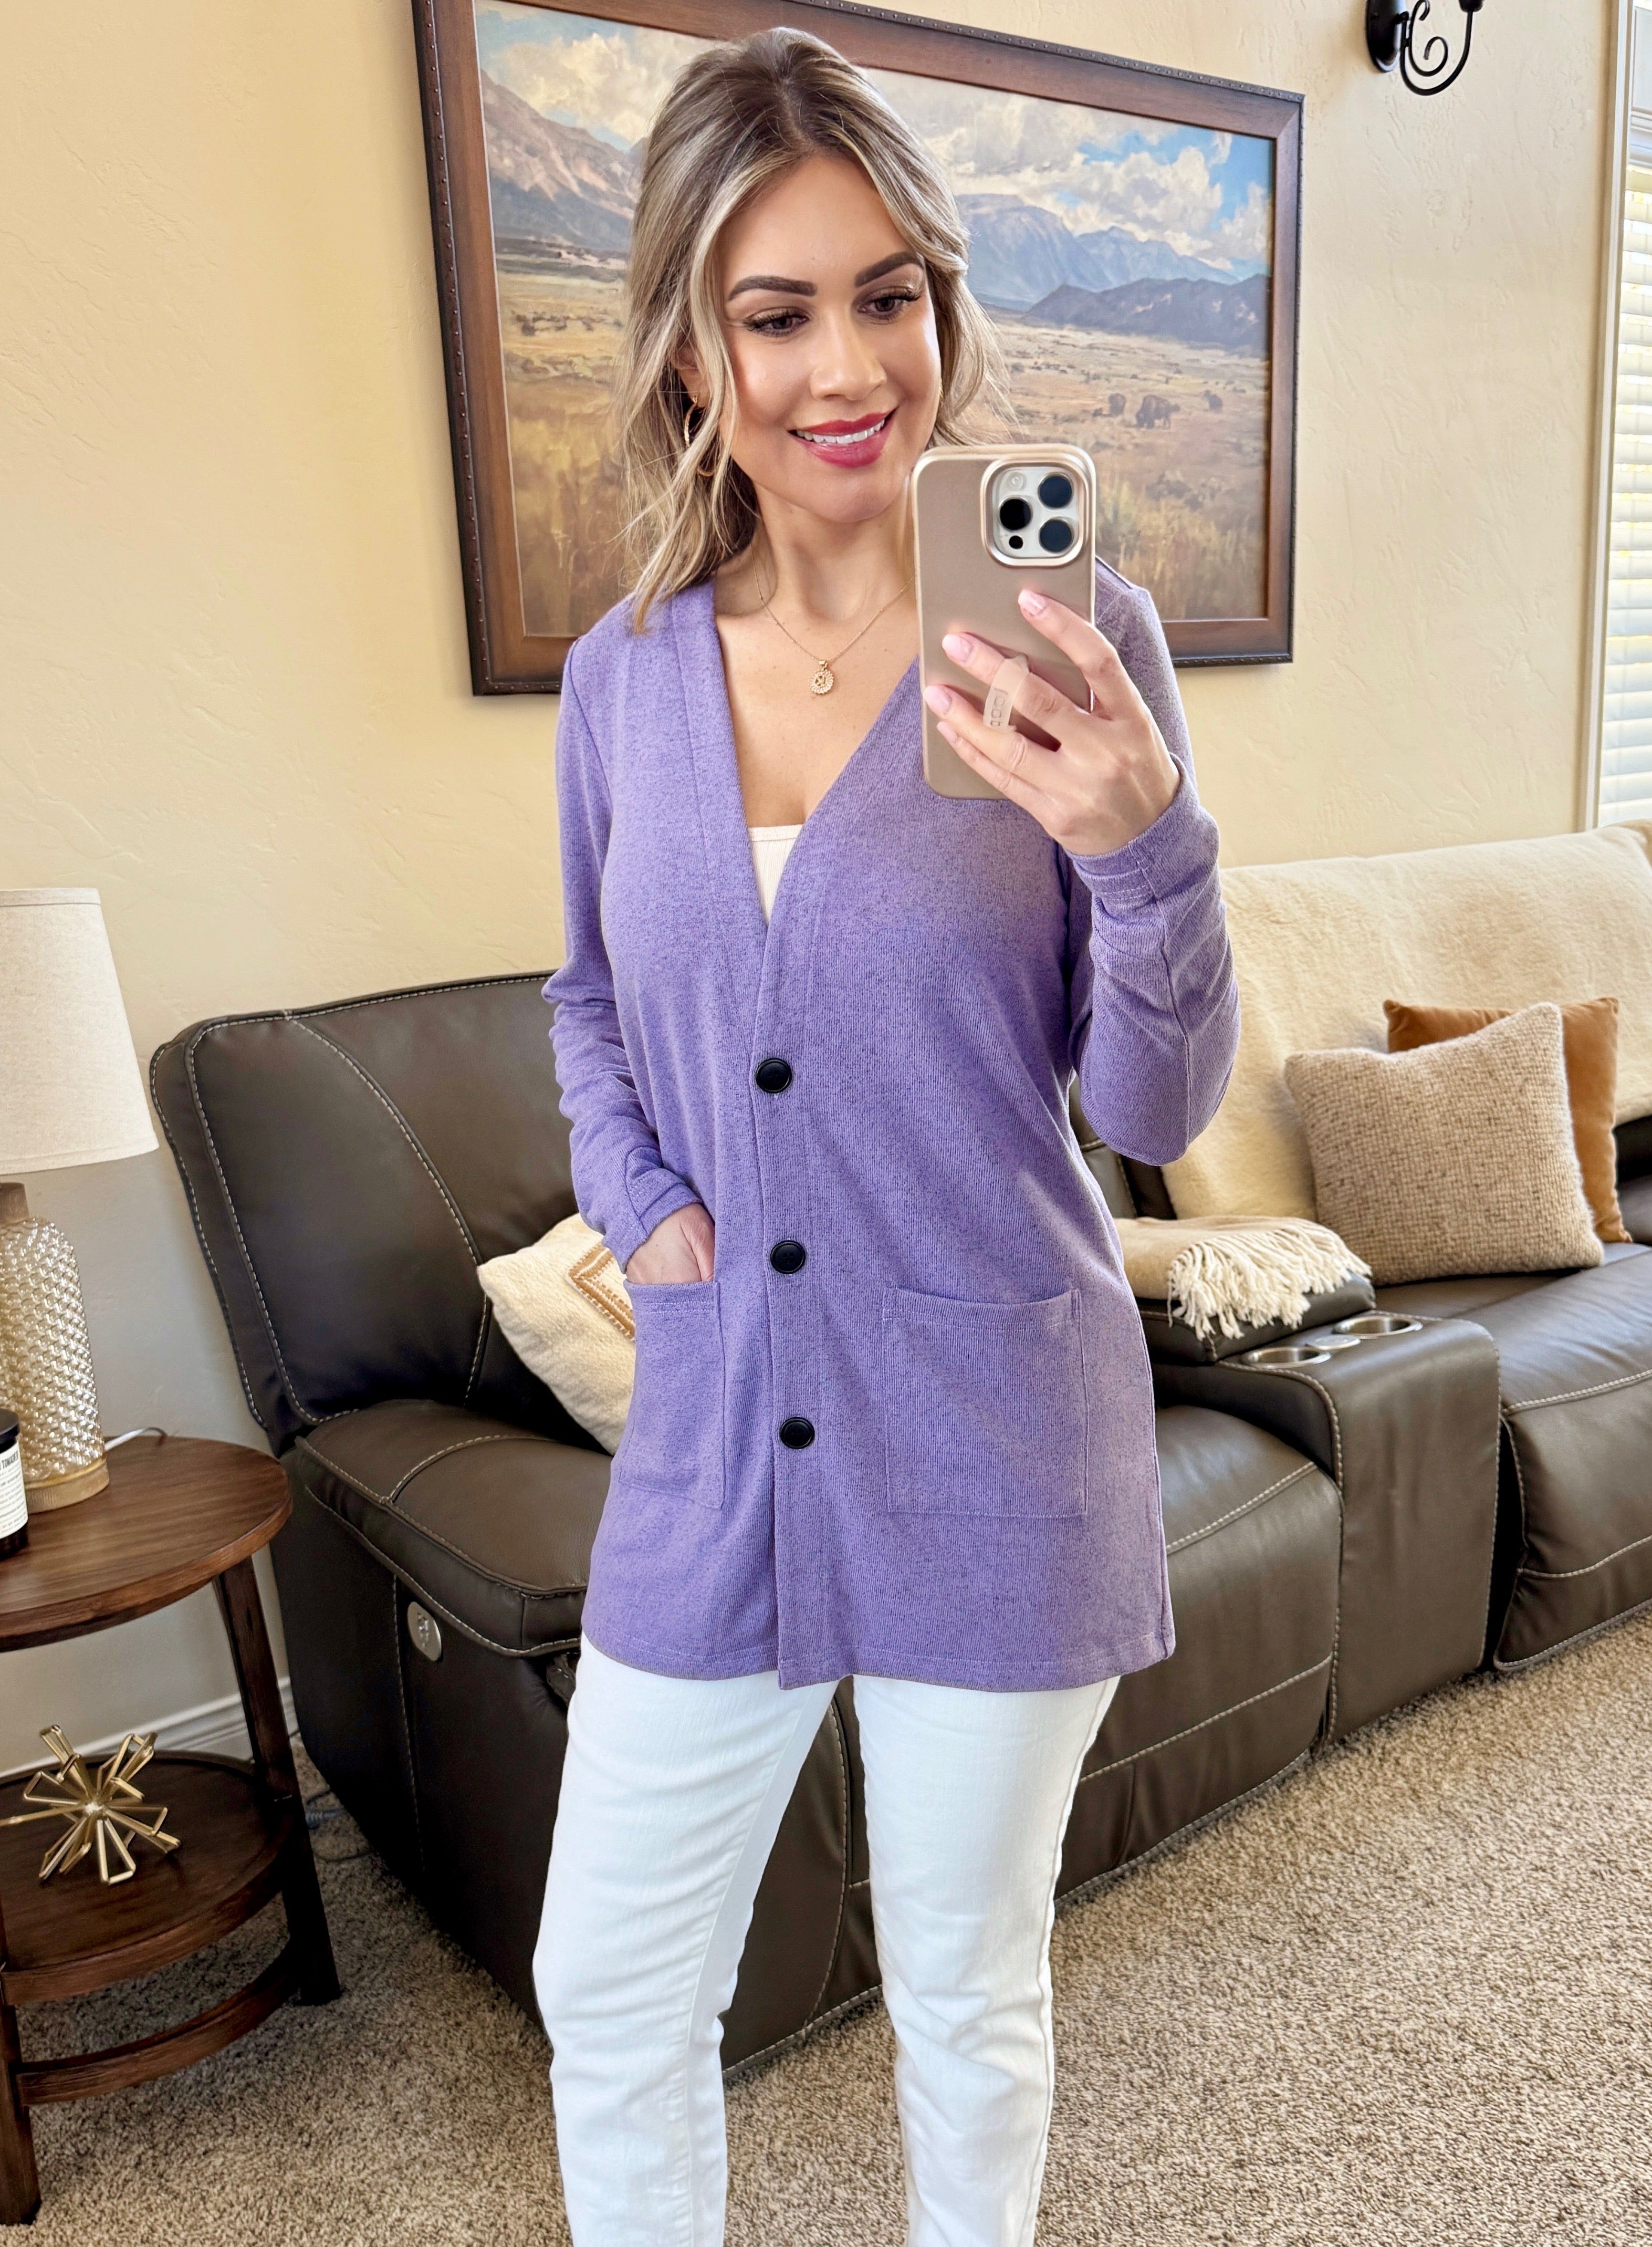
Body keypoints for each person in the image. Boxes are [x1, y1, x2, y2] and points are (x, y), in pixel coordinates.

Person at [533, 27, 1239, 2245]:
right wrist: (647, 1211)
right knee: (607, 1988)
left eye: (887, 295)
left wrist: (1144, 848)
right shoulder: (622, 676)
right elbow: (584, 998)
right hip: (714, 1431)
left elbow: (1149, 1107)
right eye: (776, 312)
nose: (846, 368)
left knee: (963, 1994)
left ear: (942, 302)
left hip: (995, 1425)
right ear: (692, 349)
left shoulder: (1075, 640)